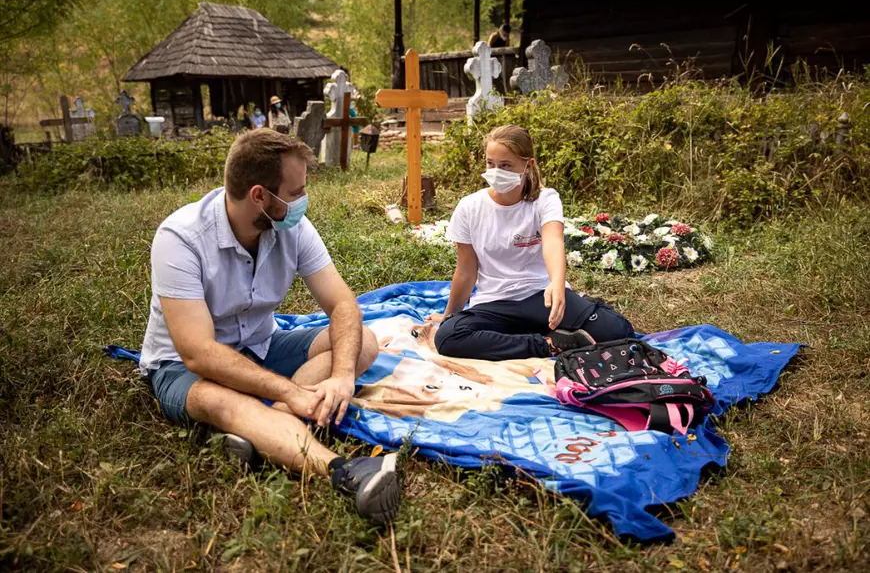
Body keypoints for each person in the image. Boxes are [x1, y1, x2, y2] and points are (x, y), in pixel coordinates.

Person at [139, 128, 400, 524]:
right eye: (296, 192)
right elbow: (198, 353)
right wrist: (290, 391)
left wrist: (342, 376)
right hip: (181, 368)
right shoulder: (180, 238)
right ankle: (347, 471)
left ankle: (265, 428)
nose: (304, 200)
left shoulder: (292, 226)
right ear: (259, 195)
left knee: (360, 340)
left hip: (262, 345)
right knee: (221, 401)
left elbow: (342, 304)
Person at [428, 124, 635, 361]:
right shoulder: (469, 207)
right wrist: (449, 317)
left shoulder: (545, 200)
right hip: (495, 303)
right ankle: (549, 344)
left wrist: (557, 283)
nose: (496, 171)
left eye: (506, 165)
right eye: (490, 163)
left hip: (542, 297)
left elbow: (553, 241)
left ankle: (564, 321)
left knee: (616, 330)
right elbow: (466, 271)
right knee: (449, 336)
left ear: (528, 165)